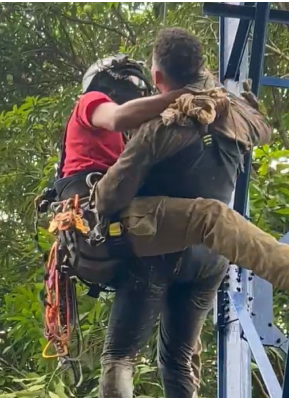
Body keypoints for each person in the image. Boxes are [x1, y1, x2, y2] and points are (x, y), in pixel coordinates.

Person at [91, 28, 279, 397]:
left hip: (157, 253)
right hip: (210, 259)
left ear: (157, 77)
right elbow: (263, 130)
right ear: (201, 65)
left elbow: (111, 198)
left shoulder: (160, 127)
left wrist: (95, 194)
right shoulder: (236, 111)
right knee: (178, 357)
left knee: (120, 355)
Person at [51, 52, 287, 291]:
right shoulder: (91, 101)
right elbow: (117, 117)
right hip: (94, 219)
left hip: (115, 223)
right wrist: (184, 94)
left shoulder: (132, 138)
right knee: (210, 217)